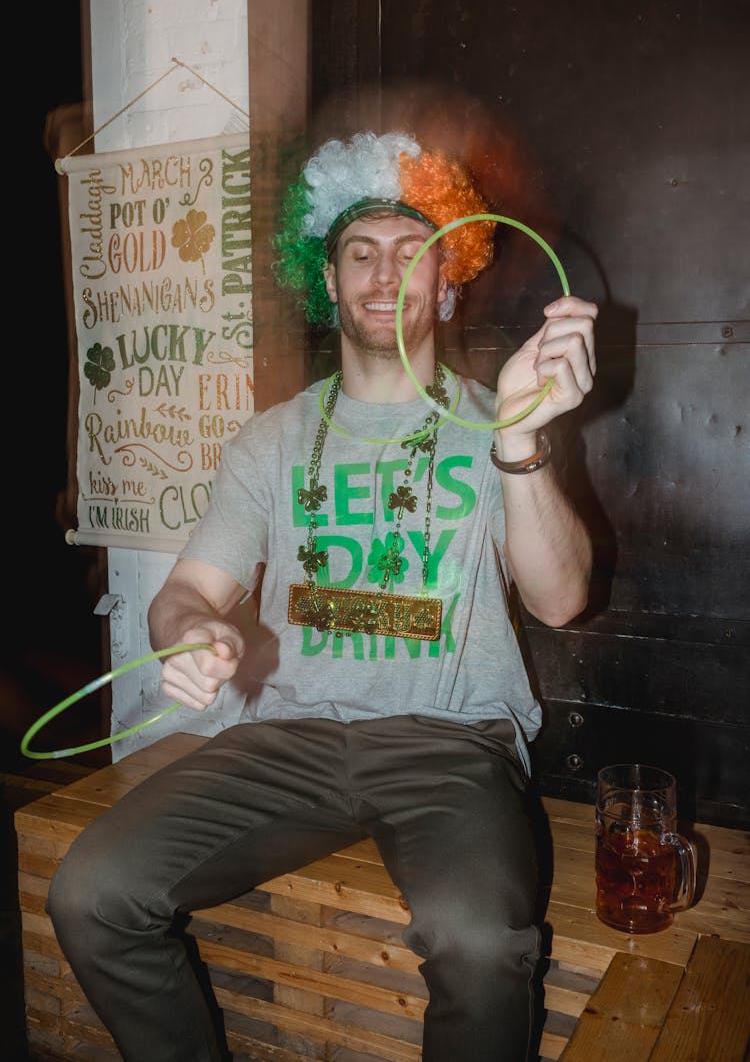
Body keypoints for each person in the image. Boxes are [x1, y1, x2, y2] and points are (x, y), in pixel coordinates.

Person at [48, 130, 597, 1062]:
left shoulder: (498, 417)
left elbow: (562, 600)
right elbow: (185, 592)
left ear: (449, 277)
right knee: (91, 890)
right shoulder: (269, 441)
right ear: (329, 280)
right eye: (360, 252)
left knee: (475, 941)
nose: (388, 274)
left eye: (413, 251)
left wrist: (518, 442)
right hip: (283, 737)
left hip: (447, 741)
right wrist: (188, 633)